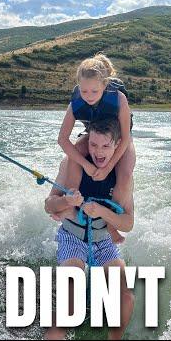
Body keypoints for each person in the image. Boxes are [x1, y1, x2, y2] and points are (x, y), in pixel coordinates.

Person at [44, 117, 135, 340]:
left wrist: (103, 212)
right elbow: (49, 205)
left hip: (103, 241)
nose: (98, 152)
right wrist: (67, 201)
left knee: (125, 297)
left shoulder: (122, 177)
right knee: (70, 298)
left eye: (105, 146)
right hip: (72, 237)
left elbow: (128, 223)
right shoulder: (72, 164)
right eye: (93, 145)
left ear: (117, 145)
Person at [57, 53, 136, 243]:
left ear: (104, 85)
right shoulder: (75, 102)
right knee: (75, 152)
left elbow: (124, 139)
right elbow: (62, 140)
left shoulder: (118, 99)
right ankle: (71, 203)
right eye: (84, 91)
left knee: (124, 174)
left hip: (118, 139)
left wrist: (108, 168)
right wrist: (86, 165)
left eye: (94, 91)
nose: (89, 96)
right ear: (79, 87)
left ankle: (110, 223)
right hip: (94, 134)